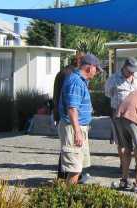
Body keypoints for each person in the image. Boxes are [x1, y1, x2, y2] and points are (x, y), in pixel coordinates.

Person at [58, 53, 103, 184]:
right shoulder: (76, 82)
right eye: (96, 70)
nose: (96, 73)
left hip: (77, 127)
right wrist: (77, 131)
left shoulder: (79, 81)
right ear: (89, 68)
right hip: (73, 128)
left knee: (78, 166)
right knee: (75, 168)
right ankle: (67, 199)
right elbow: (72, 109)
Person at [105, 57, 137, 170]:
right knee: (122, 143)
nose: (132, 72)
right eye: (129, 70)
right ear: (124, 67)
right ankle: (124, 166)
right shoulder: (113, 79)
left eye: (134, 70)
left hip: (136, 115)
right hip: (119, 115)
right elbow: (108, 94)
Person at [54, 52, 85, 180]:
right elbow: (70, 99)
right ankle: (68, 176)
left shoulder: (63, 72)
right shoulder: (72, 75)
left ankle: (64, 175)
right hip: (68, 115)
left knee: (66, 147)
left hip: (60, 112)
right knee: (71, 148)